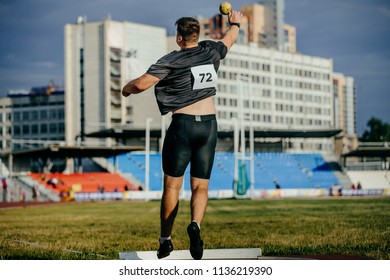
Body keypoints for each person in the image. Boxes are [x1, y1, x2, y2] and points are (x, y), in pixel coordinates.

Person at [122, 11, 242, 260]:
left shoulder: (171, 60)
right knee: (200, 186)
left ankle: (165, 241)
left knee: (172, 185)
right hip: (209, 126)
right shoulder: (211, 52)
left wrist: (126, 89)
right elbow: (230, 38)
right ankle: (195, 225)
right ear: (197, 35)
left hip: (183, 125)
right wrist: (236, 23)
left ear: (179, 38)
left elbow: (142, 84)